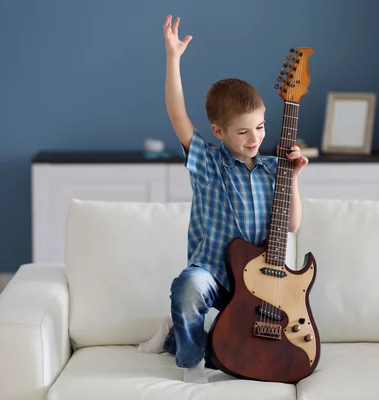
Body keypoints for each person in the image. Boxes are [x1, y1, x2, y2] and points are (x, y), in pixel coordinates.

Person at [137, 15, 309, 384]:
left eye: (260, 127)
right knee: (188, 288)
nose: (255, 138)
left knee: (235, 352)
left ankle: (172, 333)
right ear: (219, 131)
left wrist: (292, 178)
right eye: (243, 131)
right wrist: (173, 58)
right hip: (214, 273)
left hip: (260, 282)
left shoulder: (272, 168)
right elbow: (176, 112)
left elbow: (292, 225)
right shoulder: (208, 162)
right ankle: (188, 362)